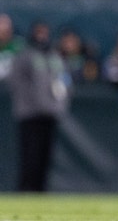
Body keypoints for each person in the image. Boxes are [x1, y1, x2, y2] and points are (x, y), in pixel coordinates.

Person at [8, 20, 73, 191]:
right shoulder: (25, 56)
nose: (42, 37)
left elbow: (64, 82)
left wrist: (59, 105)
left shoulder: (54, 57)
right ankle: (27, 189)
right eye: (39, 32)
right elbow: (16, 82)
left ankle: (41, 189)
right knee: (30, 154)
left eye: (45, 32)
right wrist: (31, 103)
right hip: (29, 113)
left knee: (46, 155)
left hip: (51, 113)